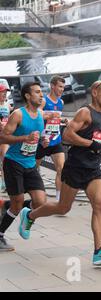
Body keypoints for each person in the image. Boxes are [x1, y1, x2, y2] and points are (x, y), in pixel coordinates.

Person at [17, 80, 101, 266]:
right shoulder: (85, 112)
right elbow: (66, 136)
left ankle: (99, 251)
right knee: (63, 207)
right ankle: (30, 215)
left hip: (93, 168)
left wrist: (100, 148)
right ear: (95, 93)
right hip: (75, 167)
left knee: (100, 205)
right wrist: (92, 144)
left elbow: (96, 137)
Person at [0, 82, 49, 251]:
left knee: (41, 202)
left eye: (41, 92)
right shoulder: (18, 115)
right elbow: (3, 138)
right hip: (13, 163)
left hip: (30, 164)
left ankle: (10, 206)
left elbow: (39, 135)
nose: (41, 95)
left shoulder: (41, 114)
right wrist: (24, 138)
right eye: (37, 92)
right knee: (18, 204)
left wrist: (43, 141)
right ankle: (0, 234)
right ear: (28, 96)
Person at [35, 75, 67, 202]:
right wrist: (49, 115)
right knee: (34, 169)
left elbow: (57, 118)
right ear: (52, 86)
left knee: (61, 168)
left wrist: (63, 120)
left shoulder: (61, 102)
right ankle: (34, 191)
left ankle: (59, 198)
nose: (62, 89)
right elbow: (37, 114)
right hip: (42, 140)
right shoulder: (44, 101)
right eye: (60, 86)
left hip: (55, 139)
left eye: (63, 87)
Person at [0, 83, 13, 192]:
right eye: (2, 92)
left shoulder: (8, 105)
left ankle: (4, 183)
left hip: (4, 136)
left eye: (5, 92)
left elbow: (9, 119)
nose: (4, 94)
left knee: (5, 157)